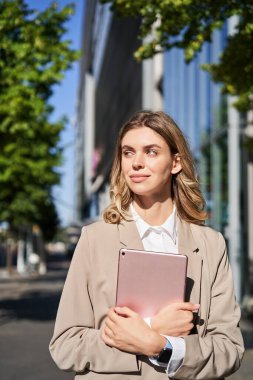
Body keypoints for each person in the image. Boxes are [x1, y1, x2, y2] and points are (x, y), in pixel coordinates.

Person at [49, 111, 244, 380]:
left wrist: (163, 347)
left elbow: (229, 349)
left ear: (176, 162)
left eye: (151, 152)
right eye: (128, 153)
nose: (136, 163)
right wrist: (151, 329)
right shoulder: (94, 239)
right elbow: (66, 345)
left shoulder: (211, 244)